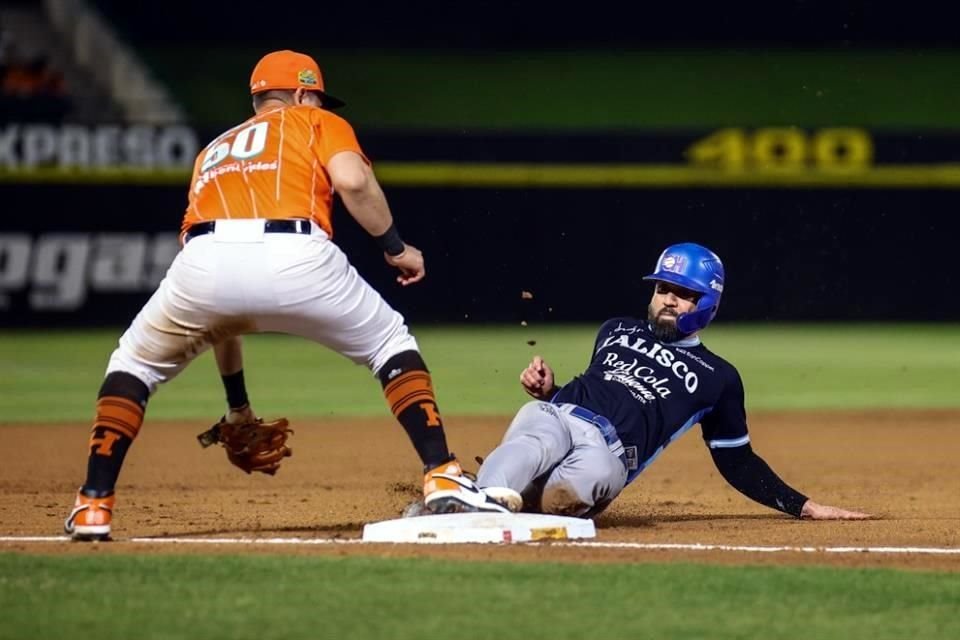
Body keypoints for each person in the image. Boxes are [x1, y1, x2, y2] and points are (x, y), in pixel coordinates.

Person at [64, 49, 512, 541]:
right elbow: (352, 179)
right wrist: (394, 246)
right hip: (297, 253)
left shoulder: (213, 149)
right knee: (389, 344)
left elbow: (223, 312)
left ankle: (93, 505)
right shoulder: (313, 120)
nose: (322, 104)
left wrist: (238, 405)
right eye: (317, 96)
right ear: (301, 93)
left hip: (204, 258)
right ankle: (441, 474)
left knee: (133, 365)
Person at [474, 242, 871, 521]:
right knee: (538, 429)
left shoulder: (718, 377)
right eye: (663, 289)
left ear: (708, 305)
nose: (668, 299)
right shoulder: (615, 329)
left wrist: (802, 505)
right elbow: (604, 391)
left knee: (566, 494)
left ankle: (498, 492)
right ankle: (480, 499)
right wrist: (552, 392)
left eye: (684, 294)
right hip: (560, 415)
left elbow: (736, 460)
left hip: (608, 453)